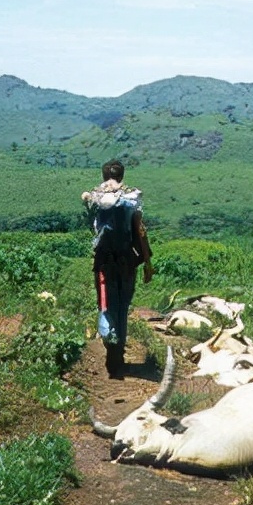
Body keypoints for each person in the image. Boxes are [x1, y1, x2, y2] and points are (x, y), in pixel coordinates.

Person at [82, 159, 154, 378]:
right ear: (122, 176)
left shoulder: (94, 197)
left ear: (104, 176)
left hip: (103, 262)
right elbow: (139, 231)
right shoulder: (131, 198)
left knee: (105, 304)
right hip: (127, 261)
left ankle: (109, 341)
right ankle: (118, 354)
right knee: (122, 306)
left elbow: (90, 220)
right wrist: (148, 262)